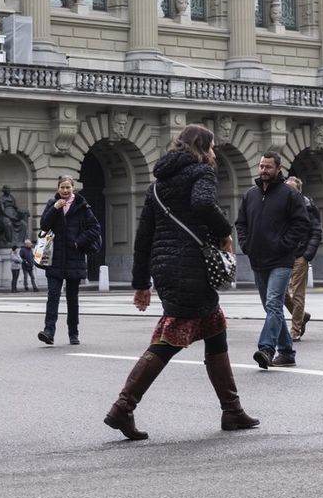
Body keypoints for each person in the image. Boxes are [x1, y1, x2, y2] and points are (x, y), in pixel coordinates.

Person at [104, 124, 258, 440]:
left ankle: (232, 409)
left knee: (214, 329)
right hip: (191, 265)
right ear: (201, 148)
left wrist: (141, 283)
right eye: (212, 147)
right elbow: (203, 204)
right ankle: (123, 407)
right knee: (170, 338)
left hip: (165, 268)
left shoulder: (157, 186)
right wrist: (224, 232)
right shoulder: (201, 173)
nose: (214, 153)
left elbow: (143, 236)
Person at [235, 150, 310, 369]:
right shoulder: (250, 194)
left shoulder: (289, 194)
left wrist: (284, 245)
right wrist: (246, 244)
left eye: (268, 167)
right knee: (272, 309)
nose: (264, 170)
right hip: (258, 259)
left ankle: (266, 349)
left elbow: (301, 224)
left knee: (274, 304)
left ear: (278, 169)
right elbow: (241, 223)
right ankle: (287, 352)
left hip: (281, 260)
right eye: (261, 166)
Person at [37, 176, 101, 346]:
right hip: (54, 258)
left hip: (74, 258)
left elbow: (95, 228)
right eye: (62, 187)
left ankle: (73, 333)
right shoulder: (53, 204)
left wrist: (78, 241)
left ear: (73, 188)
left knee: (72, 298)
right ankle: (49, 331)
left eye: (68, 187)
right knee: (53, 296)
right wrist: (55, 209)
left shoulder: (82, 206)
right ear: (58, 188)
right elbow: (44, 226)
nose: (65, 191)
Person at [282, 176, 322, 341]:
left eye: (292, 189)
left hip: (299, 256)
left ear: (299, 191)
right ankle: (301, 315)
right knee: (281, 293)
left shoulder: (307, 207)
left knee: (298, 294)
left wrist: (307, 255)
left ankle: (295, 329)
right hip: (283, 255)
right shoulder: (281, 207)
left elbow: (316, 232)